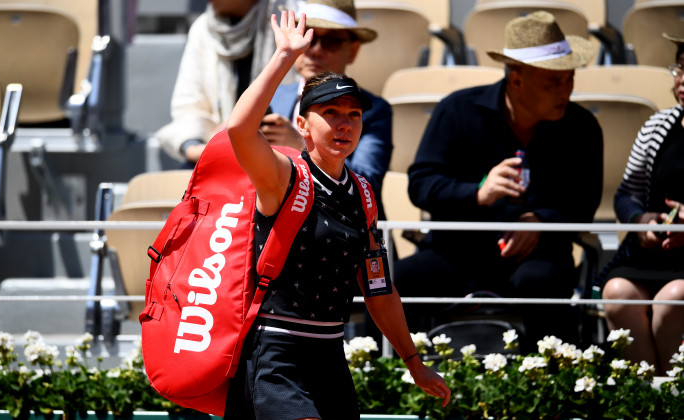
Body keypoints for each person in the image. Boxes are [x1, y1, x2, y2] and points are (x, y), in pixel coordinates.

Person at [222, 10, 450, 419]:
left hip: (330, 355)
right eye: (330, 113)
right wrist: (284, 58)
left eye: (354, 114)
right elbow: (239, 130)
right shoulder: (281, 175)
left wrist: (413, 362)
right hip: (275, 354)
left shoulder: (362, 193)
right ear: (302, 124)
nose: (344, 123)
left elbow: (379, 290)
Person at [393, 11, 604, 349]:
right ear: (516, 79)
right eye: (553, 82)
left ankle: (550, 385)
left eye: (570, 79)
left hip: (539, 257)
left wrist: (540, 222)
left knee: (541, 282)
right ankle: (389, 381)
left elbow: (584, 201)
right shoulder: (458, 110)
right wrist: (478, 192)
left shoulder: (582, 128)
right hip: (458, 253)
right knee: (397, 281)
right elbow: (421, 185)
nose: (565, 90)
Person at [597, 33, 684, 376]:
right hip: (650, 255)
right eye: (679, 68)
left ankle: (672, 398)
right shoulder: (657, 126)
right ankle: (642, 402)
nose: (682, 80)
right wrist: (641, 219)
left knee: (674, 298)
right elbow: (626, 195)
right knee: (617, 293)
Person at [265, 0, 393, 212]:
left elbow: (368, 183)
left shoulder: (374, 109)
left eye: (331, 41)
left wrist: (300, 145)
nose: (315, 50)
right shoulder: (270, 96)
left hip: (349, 234)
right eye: (308, 36)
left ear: (353, 50)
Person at [155, 0, 300, 166]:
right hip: (218, 154)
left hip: (280, 155)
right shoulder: (203, 28)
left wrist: (297, 141)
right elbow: (189, 107)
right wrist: (196, 148)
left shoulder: (290, 19)